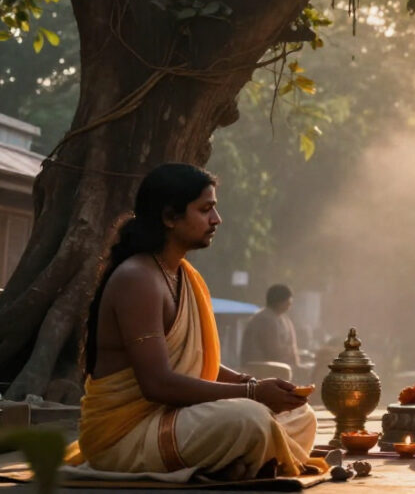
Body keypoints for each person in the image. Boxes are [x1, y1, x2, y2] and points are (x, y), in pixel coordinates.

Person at [66, 164, 324, 479]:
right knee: (250, 419)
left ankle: (232, 464)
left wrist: (251, 384)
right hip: (125, 435)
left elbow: (198, 362)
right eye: (205, 210)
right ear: (169, 218)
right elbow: (157, 383)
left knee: (301, 415)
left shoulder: (184, 275)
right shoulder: (138, 278)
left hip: (175, 418)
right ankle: (239, 462)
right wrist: (254, 395)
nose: (217, 220)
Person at [241, 284, 301, 373]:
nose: (290, 304)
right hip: (262, 371)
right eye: (288, 301)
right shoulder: (265, 319)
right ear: (280, 301)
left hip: (274, 368)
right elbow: (274, 352)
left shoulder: (282, 319)